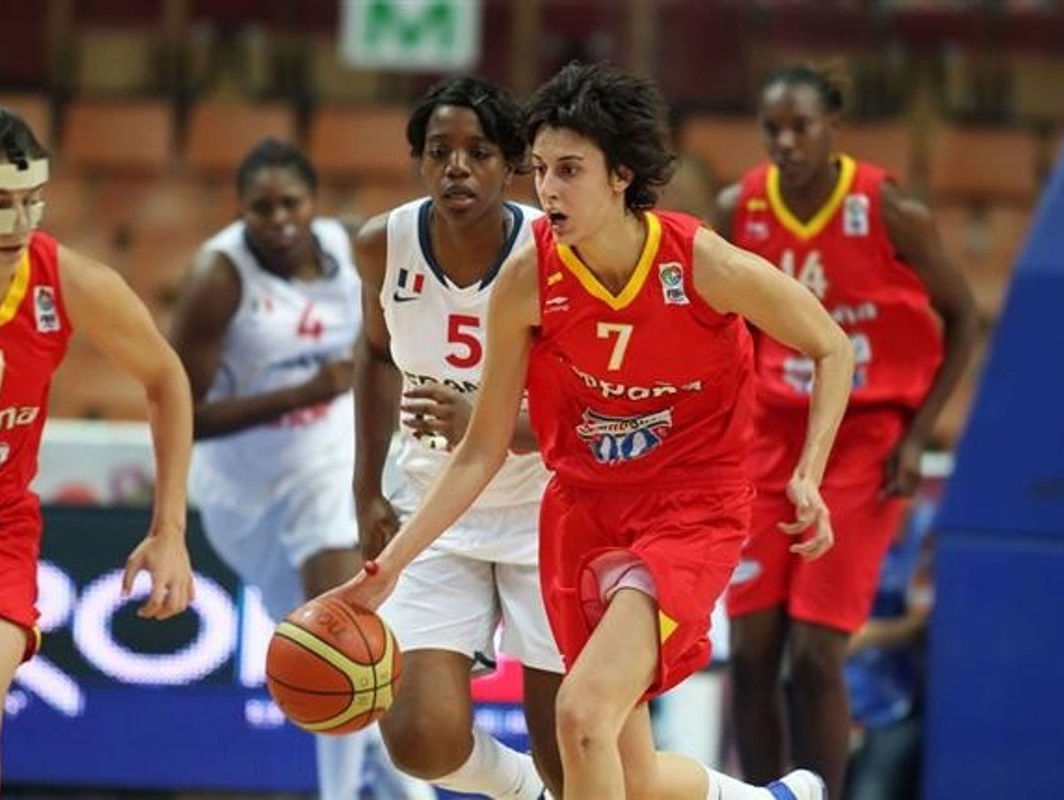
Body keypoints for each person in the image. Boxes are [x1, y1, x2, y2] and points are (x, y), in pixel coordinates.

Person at [337, 61, 855, 800]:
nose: (548, 188)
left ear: (621, 175)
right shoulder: (528, 280)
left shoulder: (699, 263)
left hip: (688, 511)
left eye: (570, 169)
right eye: (542, 169)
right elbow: (480, 450)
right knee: (626, 774)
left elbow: (831, 345)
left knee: (580, 718)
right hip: (581, 513)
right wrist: (391, 565)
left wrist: (809, 473)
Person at [717, 65, 978, 799]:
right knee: (751, 652)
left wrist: (917, 435)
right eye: (773, 129)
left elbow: (962, 318)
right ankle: (763, 796)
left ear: (833, 124)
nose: (786, 142)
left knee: (815, 654)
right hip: (771, 433)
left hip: (864, 437)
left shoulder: (889, 209)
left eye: (801, 126)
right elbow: (717, 326)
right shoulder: (740, 209)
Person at [169, 139, 428, 800]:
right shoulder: (218, 278)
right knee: (326, 659)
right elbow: (182, 415)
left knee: (344, 640)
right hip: (242, 488)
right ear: (241, 209)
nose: (279, 220)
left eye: (291, 204)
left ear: (315, 202)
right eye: (263, 208)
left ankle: (353, 794)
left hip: (330, 458)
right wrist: (305, 391)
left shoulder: (353, 248)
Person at [0, 105, 195, 800]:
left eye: (32, 201)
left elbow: (165, 377)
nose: (19, 223)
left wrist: (169, 530)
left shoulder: (67, 282)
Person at [352, 75, 564, 800]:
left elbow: (592, 409)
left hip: (546, 511)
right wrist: (365, 490)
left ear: (512, 165)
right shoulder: (383, 244)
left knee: (574, 749)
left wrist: (487, 423)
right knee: (419, 738)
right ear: (419, 161)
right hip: (435, 508)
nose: (457, 168)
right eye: (439, 151)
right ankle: (523, 788)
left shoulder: (555, 250)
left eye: (478, 152)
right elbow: (375, 356)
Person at [843, 500, 935, 800]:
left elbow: (922, 623)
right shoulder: (844, 518)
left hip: (895, 703)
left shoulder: (926, 532)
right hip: (835, 697)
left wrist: (866, 636)